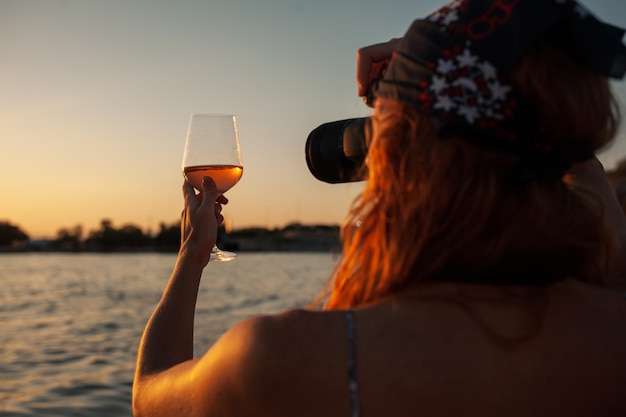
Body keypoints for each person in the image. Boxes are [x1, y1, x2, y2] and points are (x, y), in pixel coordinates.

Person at [133, 1, 626, 416]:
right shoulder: (609, 330)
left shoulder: (286, 359)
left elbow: (150, 394)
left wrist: (191, 257)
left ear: (393, 160)